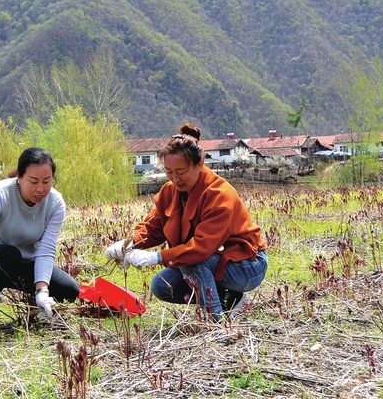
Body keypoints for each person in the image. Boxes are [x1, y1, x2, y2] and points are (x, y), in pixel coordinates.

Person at [106, 123, 267, 321]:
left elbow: (200, 248)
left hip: (246, 265)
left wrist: (157, 257)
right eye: (169, 172)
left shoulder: (219, 195)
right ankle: (231, 299)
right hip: (215, 262)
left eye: (181, 172)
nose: (175, 179)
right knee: (162, 285)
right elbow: (153, 228)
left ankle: (214, 319)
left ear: (199, 164)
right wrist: (128, 244)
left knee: (192, 260)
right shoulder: (169, 191)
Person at [0, 147, 79, 340]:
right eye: (33, 181)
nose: (40, 189)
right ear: (20, 177)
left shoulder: (55, 204)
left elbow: (46, 251)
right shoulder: (1, 193)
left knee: (70, 290)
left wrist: (42, 290)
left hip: (24, 262)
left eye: (46, 181)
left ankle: (36, 307)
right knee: (10, 254)